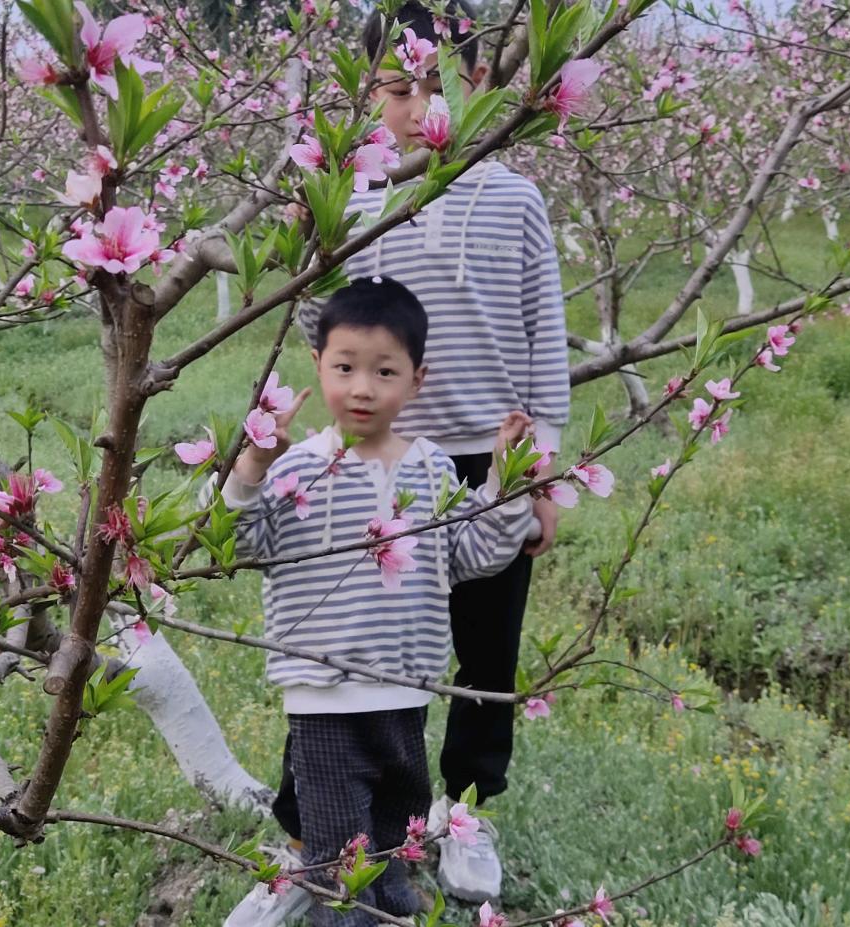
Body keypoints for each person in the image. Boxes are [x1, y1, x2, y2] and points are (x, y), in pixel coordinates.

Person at [275, 0, 570, 907]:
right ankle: (307, 817)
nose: (415, 110)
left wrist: (540, 470)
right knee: (347, 642)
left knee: (486, 650)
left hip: (484, 462)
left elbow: (545, 338)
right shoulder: (354, 195)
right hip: (375, 458)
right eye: (397, 89)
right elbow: (307, 313)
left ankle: (467, 804)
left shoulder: (514, 196)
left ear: (480, 86)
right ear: (367, 93)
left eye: (438, 87)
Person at [221, 277, 533, 927]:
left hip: (403, 690)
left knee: (395, 836)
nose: (361, 387)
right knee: (341, 858)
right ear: (317, 366)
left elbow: (472, 555)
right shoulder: (296, 467)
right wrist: (251, 465)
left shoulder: (433, 468)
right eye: (344, 367)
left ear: (416, 379)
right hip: (323, 691)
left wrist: (504, 484)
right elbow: (240, 543)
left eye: (383, 370)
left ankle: (392, 913)